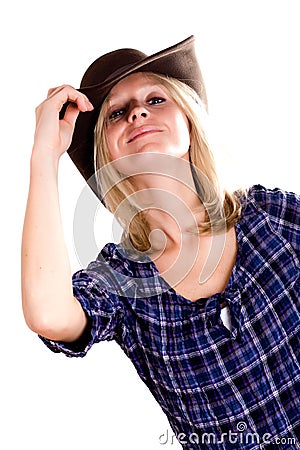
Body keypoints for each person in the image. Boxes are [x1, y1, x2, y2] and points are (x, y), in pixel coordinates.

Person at [21, 36, 300, 449]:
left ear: (189, 121)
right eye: (117, 113)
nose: (137, 112)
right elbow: (48, 314)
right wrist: (44, 156)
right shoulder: (121, 280)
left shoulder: (271, 214)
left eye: (155, 100)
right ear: (107, 155)